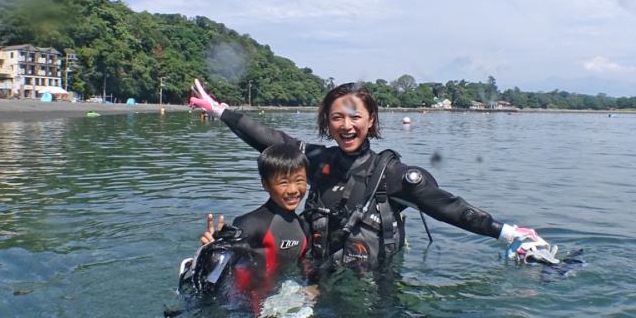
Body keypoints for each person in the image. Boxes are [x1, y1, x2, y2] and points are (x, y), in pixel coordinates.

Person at [190, 79, 551, 280]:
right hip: (319, 276)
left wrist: (508, 233)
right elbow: (271, 140)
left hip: (375, 288)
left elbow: (450, 209)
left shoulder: (393, 175)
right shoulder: (316, 161)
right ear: (326, 122)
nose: (346, 126)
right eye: (336, 118)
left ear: (371, 119)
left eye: (355, 117)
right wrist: (221, 111)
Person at [185, 143, 314, 317]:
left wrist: (312, 286)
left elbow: (305, 267)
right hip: (241, 305)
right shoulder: (252, 223)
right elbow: (221, 269)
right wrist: (212, 250)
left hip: (274, 299)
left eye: (299, 181)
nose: (292, 190)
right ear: (266, 185)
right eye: (283, 183)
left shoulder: (303, 227)